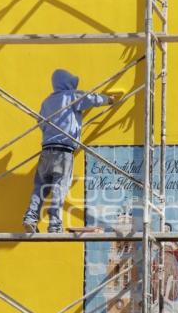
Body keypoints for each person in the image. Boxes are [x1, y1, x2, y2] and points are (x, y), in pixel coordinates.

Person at [23, 69, 114, 233]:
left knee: (40, 186)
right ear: (68, 82)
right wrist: (109, 100)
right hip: (63, 152)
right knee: (59, 187)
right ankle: (54, 224)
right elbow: (91, 99)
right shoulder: (71, 96)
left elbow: (41, 123)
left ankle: (31, 217)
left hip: (46, 150)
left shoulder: (47, 102)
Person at [152, 223, 178, 301]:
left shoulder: (172, 242)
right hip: (160, 260)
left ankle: (166, 297)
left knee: (170, 277)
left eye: (167, 228)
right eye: (164, 228)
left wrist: (171, 245)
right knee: (158, 277)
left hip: (170, 261)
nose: (166, 229)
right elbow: (153, 248)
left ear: (170, 231)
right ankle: (157, 297)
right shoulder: (159, 240)